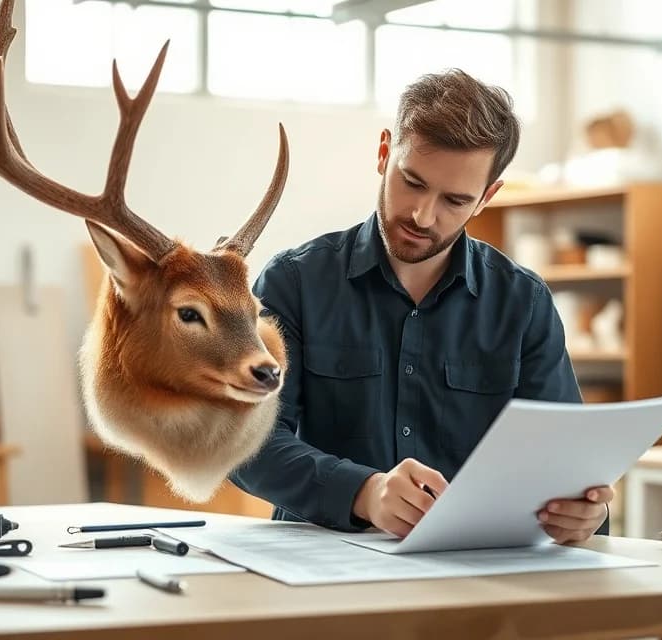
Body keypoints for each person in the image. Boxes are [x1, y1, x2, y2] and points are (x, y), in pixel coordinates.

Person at [231, 69, 610, 544]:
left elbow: (565, 464)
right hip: (322, 575)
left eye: (455, 200)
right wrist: (363, 492)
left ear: (487, 198)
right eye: (412, 182)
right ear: (384, 152)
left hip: (480, 576)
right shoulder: (294, 282)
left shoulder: (523, 304)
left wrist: (580, 515)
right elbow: (244, 443)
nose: (422, 216)